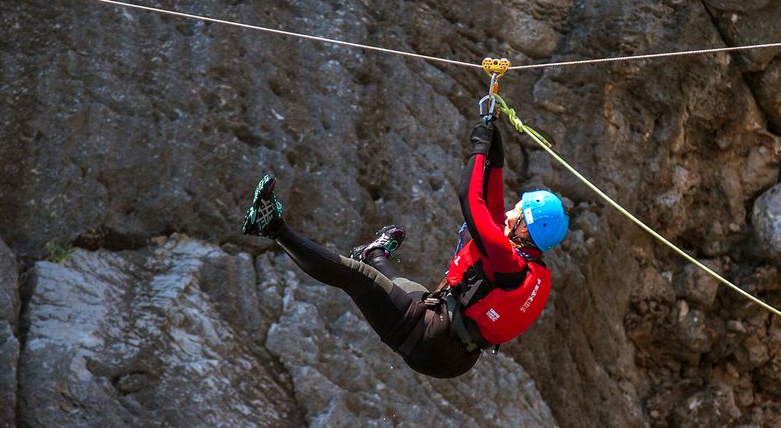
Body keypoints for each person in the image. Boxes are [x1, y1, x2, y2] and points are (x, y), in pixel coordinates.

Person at [241, 118, 569, 378]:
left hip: (432, 336)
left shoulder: (508, 262)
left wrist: (478, 151)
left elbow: (471, 200)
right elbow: (496, 212)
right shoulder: (525, 264)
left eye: (519, 212)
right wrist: (496, 159)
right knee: (384, 277)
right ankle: (373, 252)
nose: (512, 211)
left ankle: (271, 226)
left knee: (356, 279)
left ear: (527, 226)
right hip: (448, 341)